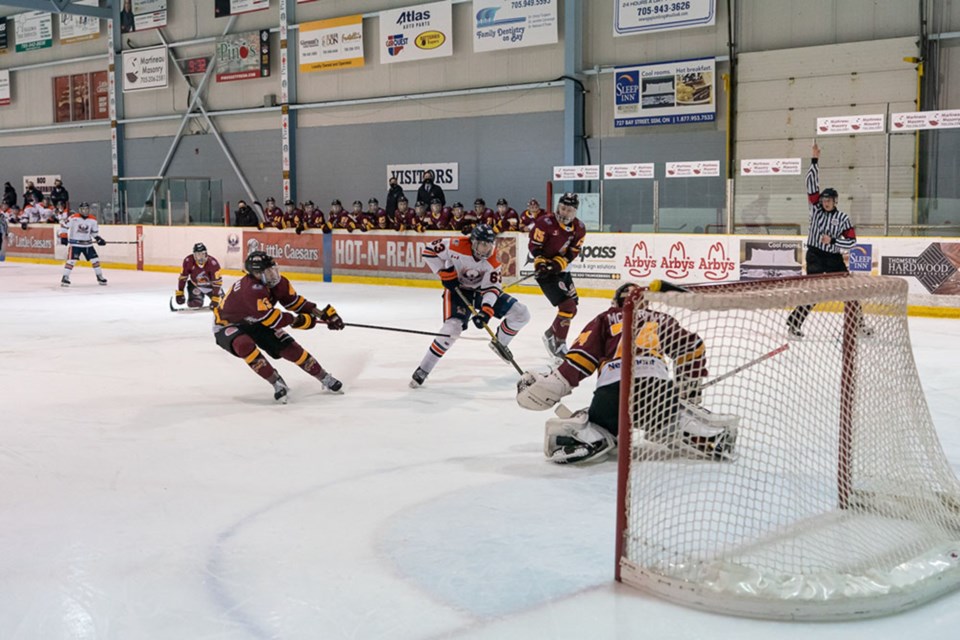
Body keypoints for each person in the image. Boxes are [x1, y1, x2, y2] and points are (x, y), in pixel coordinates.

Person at [516, 283, 738, 465]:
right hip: (656, 388)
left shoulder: (604, 318)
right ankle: (704, 434)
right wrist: (688, 390)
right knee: (671, 416)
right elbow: (693, 348)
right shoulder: (661, 318)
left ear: (615, 303)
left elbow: (581, 358)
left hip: (613, 389)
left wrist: (552, 386)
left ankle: (589, 438)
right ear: (646, 304)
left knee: (599, 422)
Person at [213, 251, 345, 403]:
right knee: (244, 345)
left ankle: (324, 377)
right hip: (227, 324)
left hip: (257, 320)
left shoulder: (278, 283)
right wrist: (301, 321)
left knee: (290, 349)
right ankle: (276, 381)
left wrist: (322, 315)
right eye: (267, 272)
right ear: (255, 274)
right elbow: (273, 320)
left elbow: (295, 303)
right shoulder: (251, 290)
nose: (273, 274)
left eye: (273, 269)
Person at [410, 224, 530, 387]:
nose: (487, 248)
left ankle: (500, 343)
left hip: (481, 292)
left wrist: (486, 311)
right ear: (473, 242)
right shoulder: (455, 245)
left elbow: (491, 288)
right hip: (457, 291)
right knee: (451, 328)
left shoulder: (493, 260)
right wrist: (444, 273)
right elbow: (429, 251)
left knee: (521, 313)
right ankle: (423, 369)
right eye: (483, 243)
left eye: (489, 243)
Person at [786, 142, 866, 338]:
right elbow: (810, 183)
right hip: (815, 254)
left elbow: (852, 242)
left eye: (829, 200)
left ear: (836, 201)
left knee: (850, 290)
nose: (825, 202)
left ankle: (859, 324)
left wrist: (833, 242)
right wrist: (814, 159)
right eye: (823, 200)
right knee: (814, 291)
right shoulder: (815, 209)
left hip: (833, 258)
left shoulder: (843, 218)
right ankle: (794, 324)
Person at [529, 192, 586, 360]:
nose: (564, 213)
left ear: (575, 211)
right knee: (567, 307)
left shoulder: (580, 228)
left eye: (569, 210)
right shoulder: (545, 223)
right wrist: (541, 263)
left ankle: (551, 334)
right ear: (557, 207)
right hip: (545, 273)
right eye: (562, 208)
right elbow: (535, 245)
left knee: (572, 307)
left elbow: (573, 251)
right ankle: (557, 343)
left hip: (563, 271)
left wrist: (558, 263)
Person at [61, 202, 108, 287]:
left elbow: (94, 233)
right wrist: (63, 236)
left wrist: (98, 239)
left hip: (87, 245)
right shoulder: (73, 218)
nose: (85, 211)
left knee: (95, 260)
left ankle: (99, 276)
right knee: (71, 261)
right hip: (75, 245)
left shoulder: (93, 219)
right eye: (83, 209)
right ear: (80, 210)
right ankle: (65, 277)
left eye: (86, 209)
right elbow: (64, 226)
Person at [175, 243, 224, 309]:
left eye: (202, 254)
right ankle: (197, 297)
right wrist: (180, 293)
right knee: (195, 304)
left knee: (224, 303)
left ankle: (219, 295)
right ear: (194, 255)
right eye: (198, 255)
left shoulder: (213, 263)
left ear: (206, 254)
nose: (200, 257)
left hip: (210, 286)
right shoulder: (188, 261)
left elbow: (217, 282)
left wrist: (215, 298)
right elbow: (183, 277)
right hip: (196, 285)